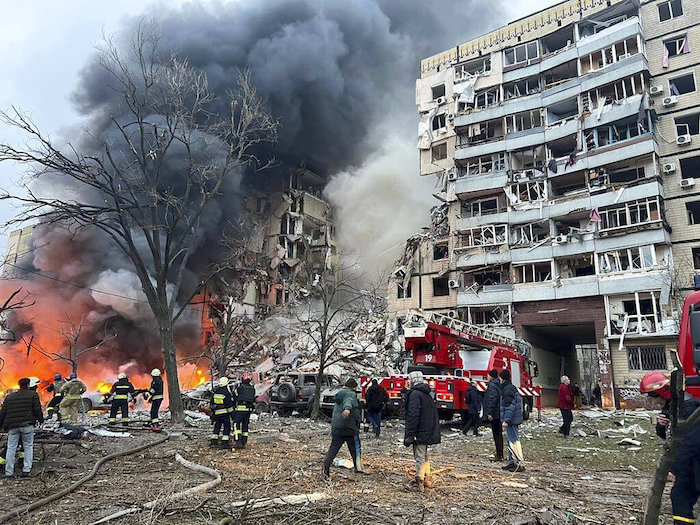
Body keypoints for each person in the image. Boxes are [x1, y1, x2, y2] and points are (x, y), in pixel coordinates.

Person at [641, 371, 700, 525]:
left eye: (653, 397)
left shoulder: (686, 409)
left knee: (681, 496)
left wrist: (674, 469)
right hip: (690, 465)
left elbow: (688, 444)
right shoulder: (671, 407)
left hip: (694, 462)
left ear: (662, 392)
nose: (652, 402)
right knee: (680, 497)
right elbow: (668, 437)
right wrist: (661, 426)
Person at [0, 377, 44, 478]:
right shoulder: (33, 395)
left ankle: (9, 472)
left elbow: (3, 413)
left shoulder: (9, 396)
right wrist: (41, 420)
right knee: (28, 447)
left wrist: (0, 425)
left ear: (19, 385)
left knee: (11, 448)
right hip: (27, 425)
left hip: (12, 426)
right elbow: (37, 409)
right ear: (28, 385)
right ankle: (26, 470)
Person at [404, 371, 441, 488]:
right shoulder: (427, 394)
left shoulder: (415, 395)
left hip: (419, 431)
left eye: (409, 379)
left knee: (419, 456)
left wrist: (410, 434)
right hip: (427, 430)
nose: (408, 381)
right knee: (424, 455)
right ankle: (427, 478)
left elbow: (413, 415)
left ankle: (420, 480)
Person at [322, 378, 363, 479]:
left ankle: (325, 467)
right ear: (353, 387)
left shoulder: (339, 394)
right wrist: (347, 410)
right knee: (355, 449)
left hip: (337, 427)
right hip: (349, 428)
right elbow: (348, 402)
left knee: (333, 449)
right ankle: (358, 468)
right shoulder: (350, 394)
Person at [500, 369, 524, 473]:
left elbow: (510, 407)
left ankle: (519, 463)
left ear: (502, 378)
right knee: (511, 441)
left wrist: (506, 420)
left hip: (511, 421)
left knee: (514, 441)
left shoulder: (507, 389)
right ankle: (511, 462)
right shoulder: (511, 387)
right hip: (514, 419)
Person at [483, 369, 504, 461]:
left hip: (495, 414)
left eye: (488, 375)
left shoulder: (492, 386)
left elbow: (492, 399)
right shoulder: (498, 384)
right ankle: (500, 454)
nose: (487, 377)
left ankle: (499, 455)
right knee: (499, 433)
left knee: (496, 434)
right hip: (499, 412)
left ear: (490, 376)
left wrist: (489, 412)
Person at [232, 372, 256, 449]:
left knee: (236, 424)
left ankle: (238, 441)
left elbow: (234, 395)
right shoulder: (253, 389)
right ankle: (244, 441)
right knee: (245, 426)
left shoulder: (240, 388)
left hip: (240, 410)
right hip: (248, 410)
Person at [210, 377, 234, 448]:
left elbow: (212, 403)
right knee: (227, 427)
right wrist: (232, 414)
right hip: (225, 414)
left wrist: (213, 413)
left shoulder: (216, 392)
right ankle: (224, 443)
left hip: (217, 414)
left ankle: (213, 442)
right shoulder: (226, 393)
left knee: (217, 427)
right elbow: (229, 405)